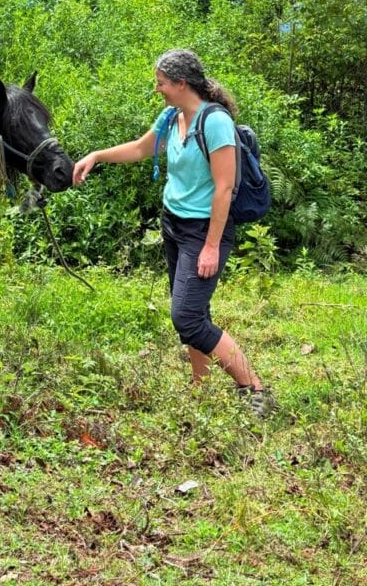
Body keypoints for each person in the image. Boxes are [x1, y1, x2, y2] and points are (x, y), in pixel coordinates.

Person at [73, 48, 275, 419]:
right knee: (195, 311)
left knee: (187, 318)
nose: (158, 89)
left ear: (182, 84)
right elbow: (140, 148)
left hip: (204, 231)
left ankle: (256, 390)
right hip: (174, 224)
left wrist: (212, 246)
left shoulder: (215, 123)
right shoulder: (172, 116)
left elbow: (224, 188)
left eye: (162, 83)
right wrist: (96, 156)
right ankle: (201, 389)